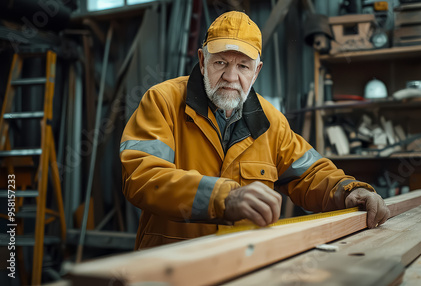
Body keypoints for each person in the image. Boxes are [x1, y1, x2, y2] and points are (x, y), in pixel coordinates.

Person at [120, 11, 390, 250]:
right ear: (202, 61)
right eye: (221, 63)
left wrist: (347, 190)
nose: (230, 77)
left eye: (243, 66)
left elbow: (310, 174)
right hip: (171, 267)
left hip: (245, 266)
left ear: (256, 71)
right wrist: (223, 197)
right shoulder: (162, 102)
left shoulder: (271, 121)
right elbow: (141, 176)